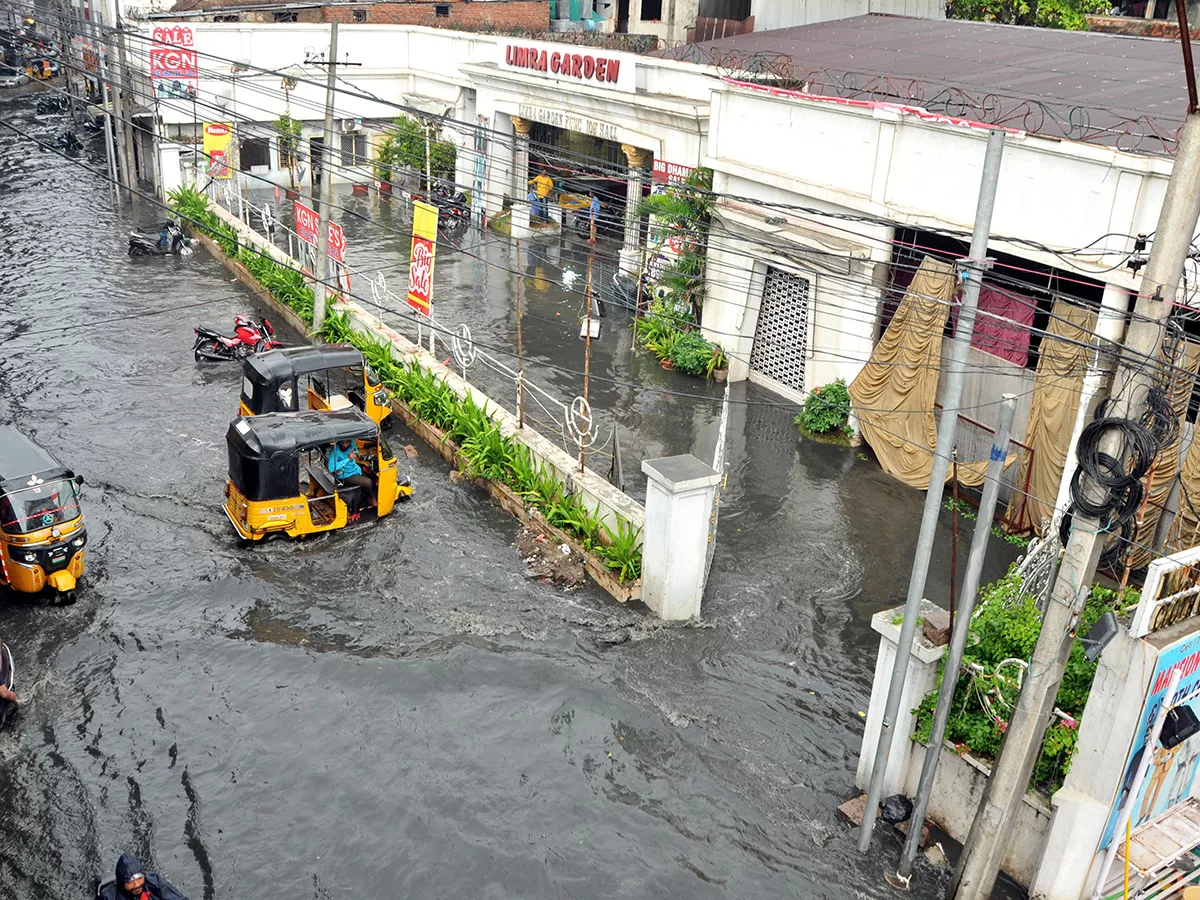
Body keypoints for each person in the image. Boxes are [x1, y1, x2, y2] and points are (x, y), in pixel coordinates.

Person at [98, 852, 189, 900]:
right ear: (122, 883)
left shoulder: (155, 881)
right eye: (130, 882)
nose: (137, 885)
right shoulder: (108, 897)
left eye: (139, 878)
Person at [328, 439, 374, 510]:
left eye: (347, 442)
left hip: (355, 469)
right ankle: (371, 498)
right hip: (345, 475)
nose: (345, 444)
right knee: (368, 482)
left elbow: (355, 449)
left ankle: (365, 494)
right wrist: (348, 458)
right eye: (344, 442)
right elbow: (331, 468)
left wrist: (358, 454)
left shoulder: (351, 442)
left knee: (371, 474)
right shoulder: (334, 451)